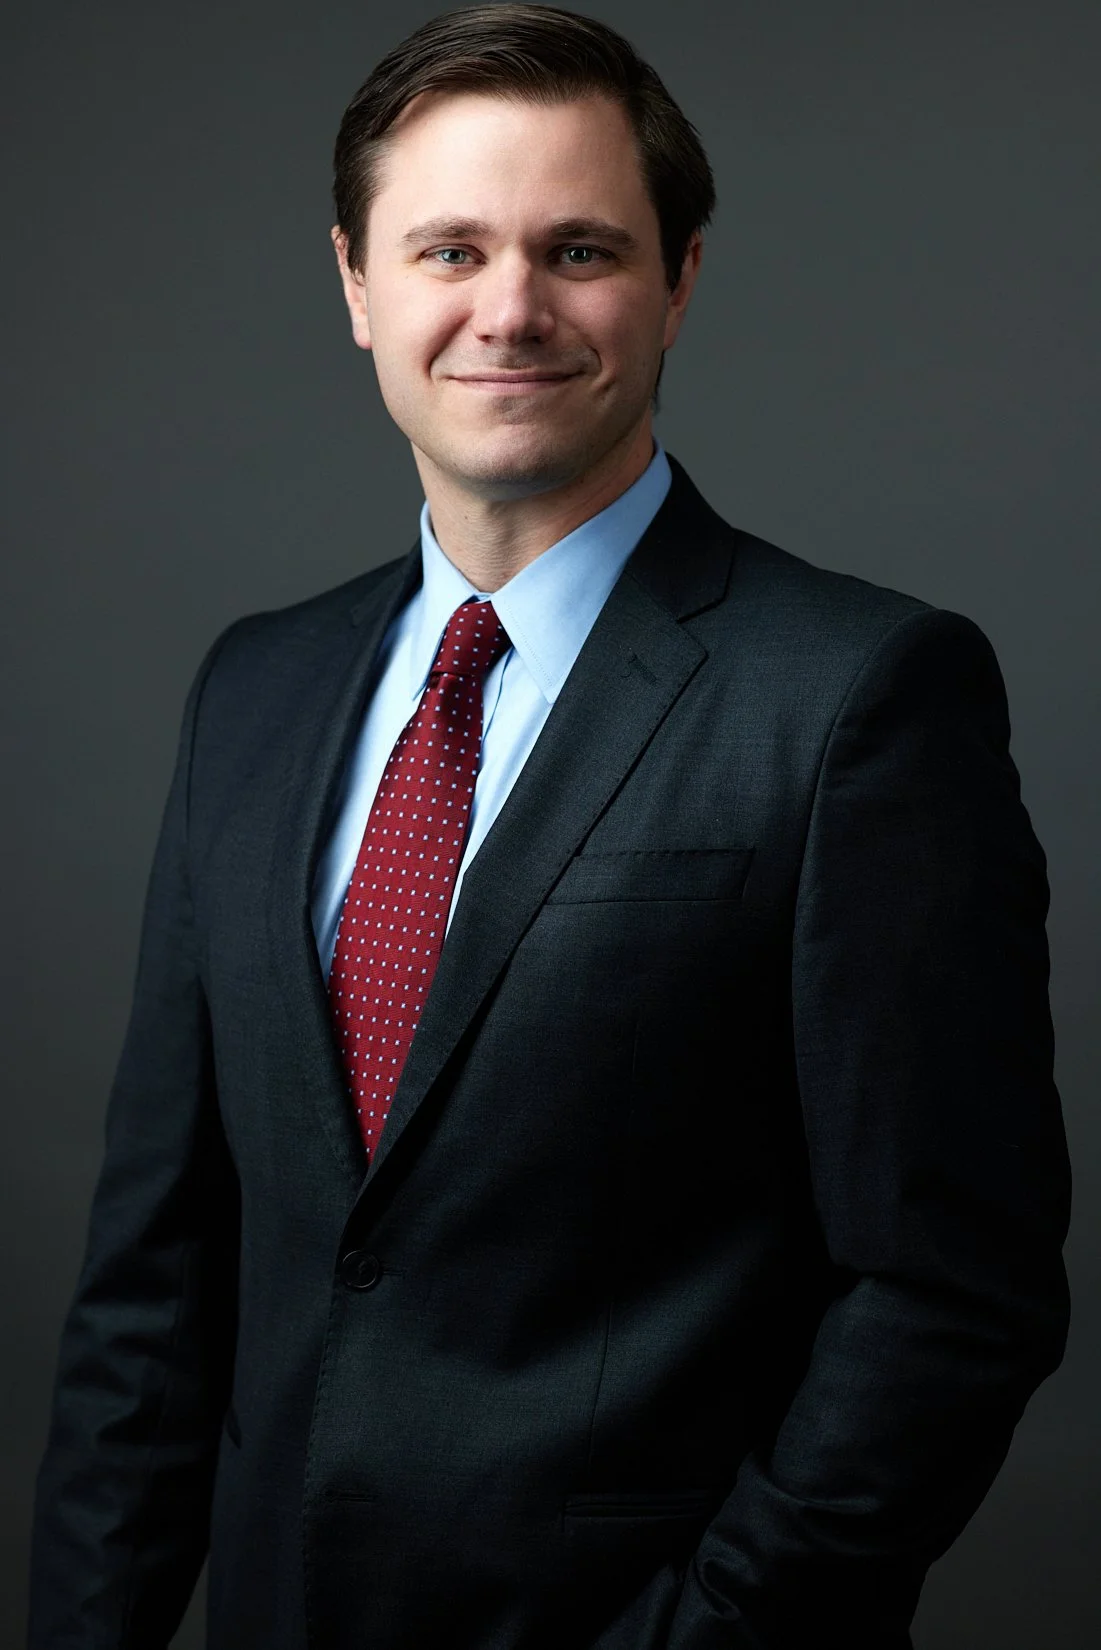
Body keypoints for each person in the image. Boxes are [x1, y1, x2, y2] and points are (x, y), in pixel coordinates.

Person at [27, 6, 1071, 1649]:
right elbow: (157, 1275)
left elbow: (953, 1289)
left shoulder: (863, 695)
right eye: (449, 247)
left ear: (680, 281)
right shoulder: (256, 687)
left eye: (578, 248)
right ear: (359, 286)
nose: (508, 309)